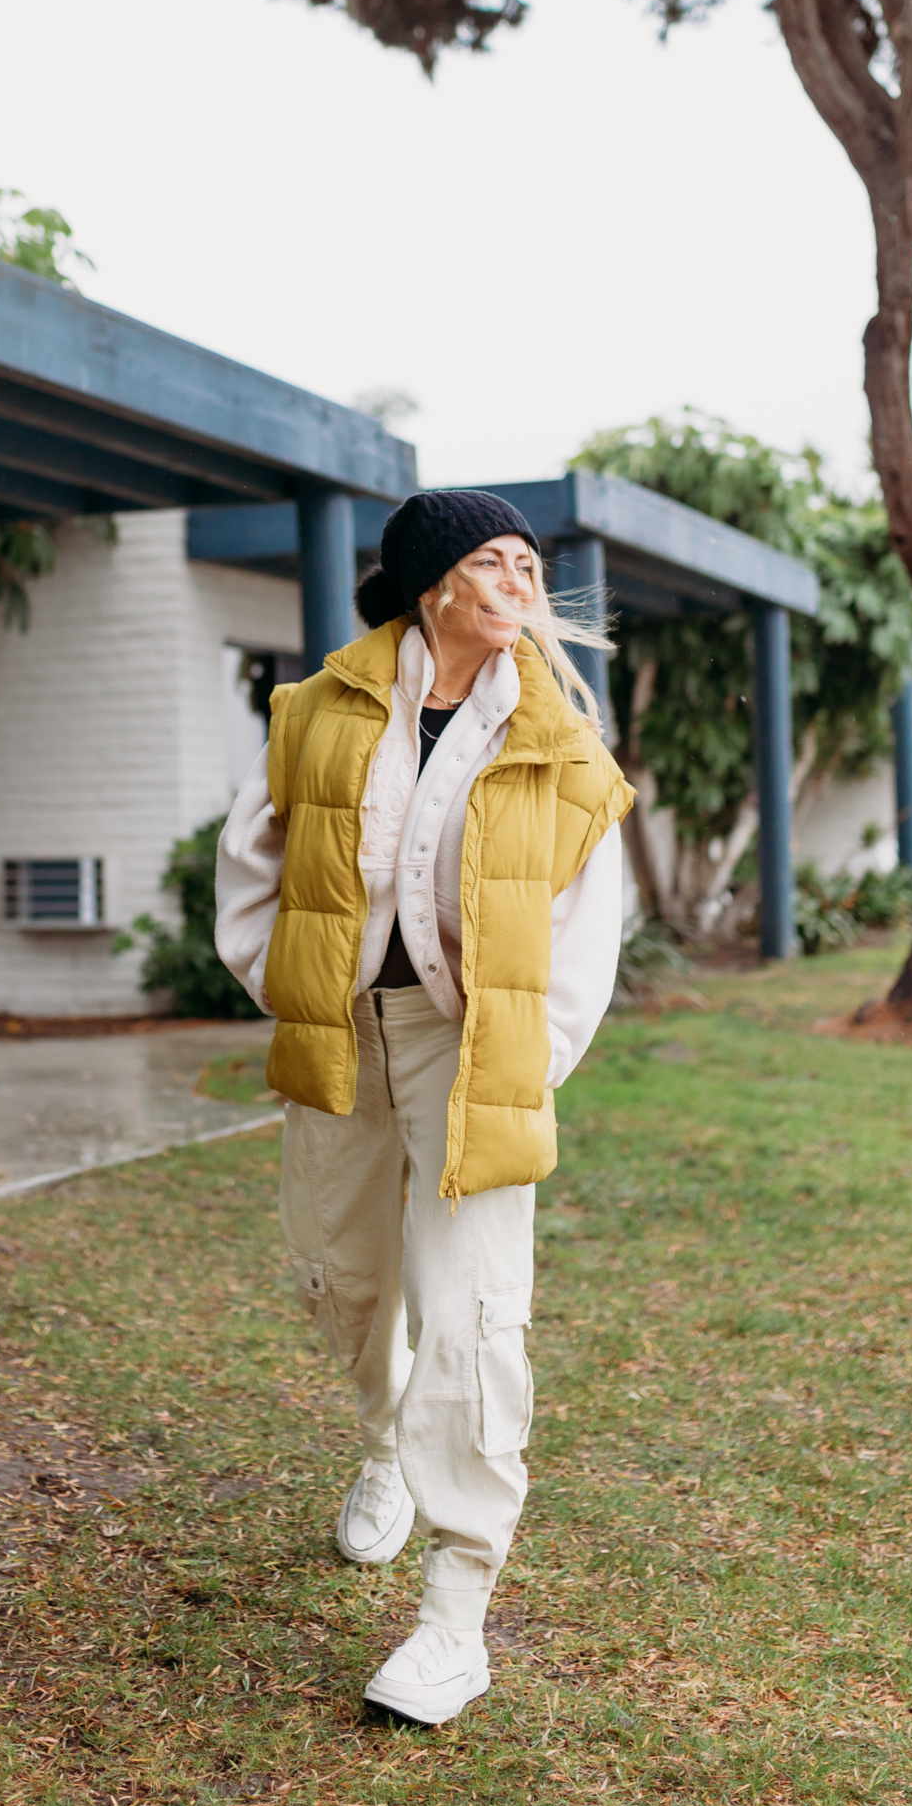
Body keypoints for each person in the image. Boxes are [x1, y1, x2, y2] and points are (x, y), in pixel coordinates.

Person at [215, 488, 634, 1725]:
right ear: (430, 583)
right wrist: (294, 989)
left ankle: (455, 1618)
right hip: (344, 1035)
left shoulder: (561, 741)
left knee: (471, 1312)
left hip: (473, 1045)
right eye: (492, 561)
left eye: (526, 562)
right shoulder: (315, 712)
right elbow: (250, 872)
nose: (518, 580)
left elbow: (584, 929)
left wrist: (521, 1058)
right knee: (340, 1279)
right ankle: (382, 1443)